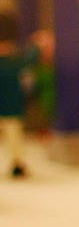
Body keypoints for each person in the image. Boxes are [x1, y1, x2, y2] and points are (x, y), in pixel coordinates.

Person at [0, 11, 39, 178]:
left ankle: (17, 163)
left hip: (11, 108)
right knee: (14, 136)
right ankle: (17, 163)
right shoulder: (12, 64)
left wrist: (36, 47)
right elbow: (28, 60)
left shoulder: (12, 63)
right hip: (11, 107)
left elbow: (28, 61)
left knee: (14, 136)